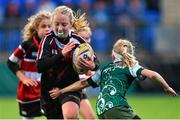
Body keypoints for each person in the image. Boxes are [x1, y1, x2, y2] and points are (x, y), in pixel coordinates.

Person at [49, 39, 177, 119]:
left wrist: (62, 91)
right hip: (116, 106)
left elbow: (83, 83)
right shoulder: (130, 66)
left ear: (113, 54)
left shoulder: (105, 69)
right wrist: (167, 87)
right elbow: (153, 74)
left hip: (101, 109)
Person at [37, 6, 99, 119]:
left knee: (70, 115)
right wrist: (61, 54)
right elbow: (40, 66)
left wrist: (92, 65)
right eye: (56, 24)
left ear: (71, 24)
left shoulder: (78, 40)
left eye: (64, 24)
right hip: (49, 91)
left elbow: (96, 62)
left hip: (70, 87)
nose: (60, 28)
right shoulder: (47, 40)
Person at [7, 11, 51, 119]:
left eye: (50, 26)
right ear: (36, 28)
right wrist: (23, 78)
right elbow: (11, 62)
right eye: (43, 26)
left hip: (47, 91)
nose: (47, 29)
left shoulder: (53, 45)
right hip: (28, 92)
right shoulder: (27, 45)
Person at [73, 17, 96, 119]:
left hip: (80, 93)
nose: (86, 41)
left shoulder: (89, 53)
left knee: (90, 118)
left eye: (88, 38)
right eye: (83, 38)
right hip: (66, 92)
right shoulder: (70, 53)